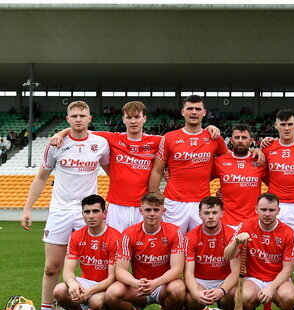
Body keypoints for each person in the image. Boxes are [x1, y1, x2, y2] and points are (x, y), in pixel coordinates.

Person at [21, 100, 110, 310]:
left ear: (90, 119)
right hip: (60, 212)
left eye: (83, 115)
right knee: (52, 267)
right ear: (67, 119)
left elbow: (115, 173)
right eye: (74, 115)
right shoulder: (55, 145)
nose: (78, 119)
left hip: (88, 213)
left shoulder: (100, 143)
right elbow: (41, 177)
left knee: (89, 267)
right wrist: (27, 208)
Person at [49, 101, 170, 232]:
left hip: (143, 206)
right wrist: (59, 134)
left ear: (144, 118)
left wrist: (168, 171)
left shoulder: (157, 141)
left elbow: (176, 154)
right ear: (123, 119)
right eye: (129, 117)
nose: (133, 121)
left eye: (137, 117)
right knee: (115, 248)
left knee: (142, 249)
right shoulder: (113, 139)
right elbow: (81, 129)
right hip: (117, 206)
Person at [149, 95, 238, 234]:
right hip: (174, 202)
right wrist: (152, 199)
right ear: (183, 112)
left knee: (201, 247)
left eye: (198, 109)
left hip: (202, 203)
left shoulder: (214, 137)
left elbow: (230, 161)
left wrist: (225, 187)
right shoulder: (169, 137)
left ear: (204, 112)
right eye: (190, 108)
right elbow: (157, 171)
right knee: (171, 244)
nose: (194, 112)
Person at [106, 193, 187, 310]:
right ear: (141, 211)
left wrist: (156, 283)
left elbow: (177, 269)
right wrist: (135, 283)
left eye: (156, 210)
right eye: (148, 210)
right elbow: (120, 270)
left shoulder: (175, 231)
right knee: (112, 293)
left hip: (163, 286)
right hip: (139, 287)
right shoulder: (128, 233)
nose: (152, 214)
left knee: (178, 288)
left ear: (163, 211)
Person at [224, 193, 294, 310]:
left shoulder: (288, 233)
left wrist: (271, 288)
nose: (267, 214)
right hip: (254, 278)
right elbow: (228, 256)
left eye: (271, 210)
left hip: (278, 279)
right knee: (243, 296)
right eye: (263, 209)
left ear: (278, 211)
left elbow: (288, 269)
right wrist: (236, 242)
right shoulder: (246, 226)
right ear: (256, 209)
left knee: (289, 296)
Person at [54, 195, 123, 310]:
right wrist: (72, 283)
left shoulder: (115, 237)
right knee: (59, 290)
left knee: (95, 302)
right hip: (87, 283)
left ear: (104, 213)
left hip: (109, 285)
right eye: (87, 212)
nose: (91, 216)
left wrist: (89, 291)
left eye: (95, 211)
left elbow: (113, 277)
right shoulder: (76, 236)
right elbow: (67, 271)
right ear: (82, 214)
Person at [261, 109, 294, 253]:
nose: (286, 128)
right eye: (283, 124)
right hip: (275, 206)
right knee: (272, 250)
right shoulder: (267, 149)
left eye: (290, 124)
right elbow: (261, 174)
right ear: (276, 125)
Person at [182, 197, 238, 310]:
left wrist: (222, 290)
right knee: (191, 298)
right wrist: (196, 293)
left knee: (231, 295)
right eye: (207, 213)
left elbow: (235, 272)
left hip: (224, 279)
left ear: (222, 213)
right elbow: (188, 272)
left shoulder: (232, 235)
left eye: (214, 212)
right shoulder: (191, 237)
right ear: (200, 214)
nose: (211, 217)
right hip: (201, 280)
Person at [212, 124, 268, 228]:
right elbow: (200, 178)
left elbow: (276, 183)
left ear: (251, 140)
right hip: (226, 222)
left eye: (244, 137)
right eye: (237, 137)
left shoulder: (260, 161)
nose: (240, 140)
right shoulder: (220, 162)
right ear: (231, 140)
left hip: (253, 222)